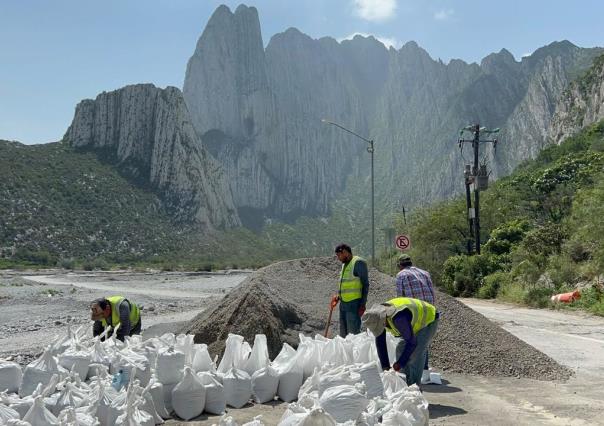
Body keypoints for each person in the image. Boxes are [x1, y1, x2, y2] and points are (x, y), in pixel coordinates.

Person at [361, 297, 439, 387]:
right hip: (412, 324)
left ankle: (414, 389)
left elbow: (412, 343)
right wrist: (385, 366)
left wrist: (400, 363)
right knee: (400, 349)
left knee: (416, 354)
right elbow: (380, 343)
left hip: (428, 320)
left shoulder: (399, 318)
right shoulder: (380, 318)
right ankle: (404, 385)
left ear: (382, 321)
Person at [395, 253, 436, 382]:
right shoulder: (425, 273)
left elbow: (400, 299)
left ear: (400, 265)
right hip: (430, 312)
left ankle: (407, 376)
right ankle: (423, 371)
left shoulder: (401, 275)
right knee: (423, 342)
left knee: (408, 342)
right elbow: (432, 292)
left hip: (415, 312)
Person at [333, 243, 369, 337]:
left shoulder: (358, 262)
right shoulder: (344, 265)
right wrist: (338, 296)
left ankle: (356, 351)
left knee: (353, 334)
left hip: (354, 304)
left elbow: (365, 284)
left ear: (345, 252)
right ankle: (346, 351)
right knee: (343, 333)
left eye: (339, 255)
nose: (338, 258)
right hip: (343, 304)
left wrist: (362, 304)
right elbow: (346, 284)